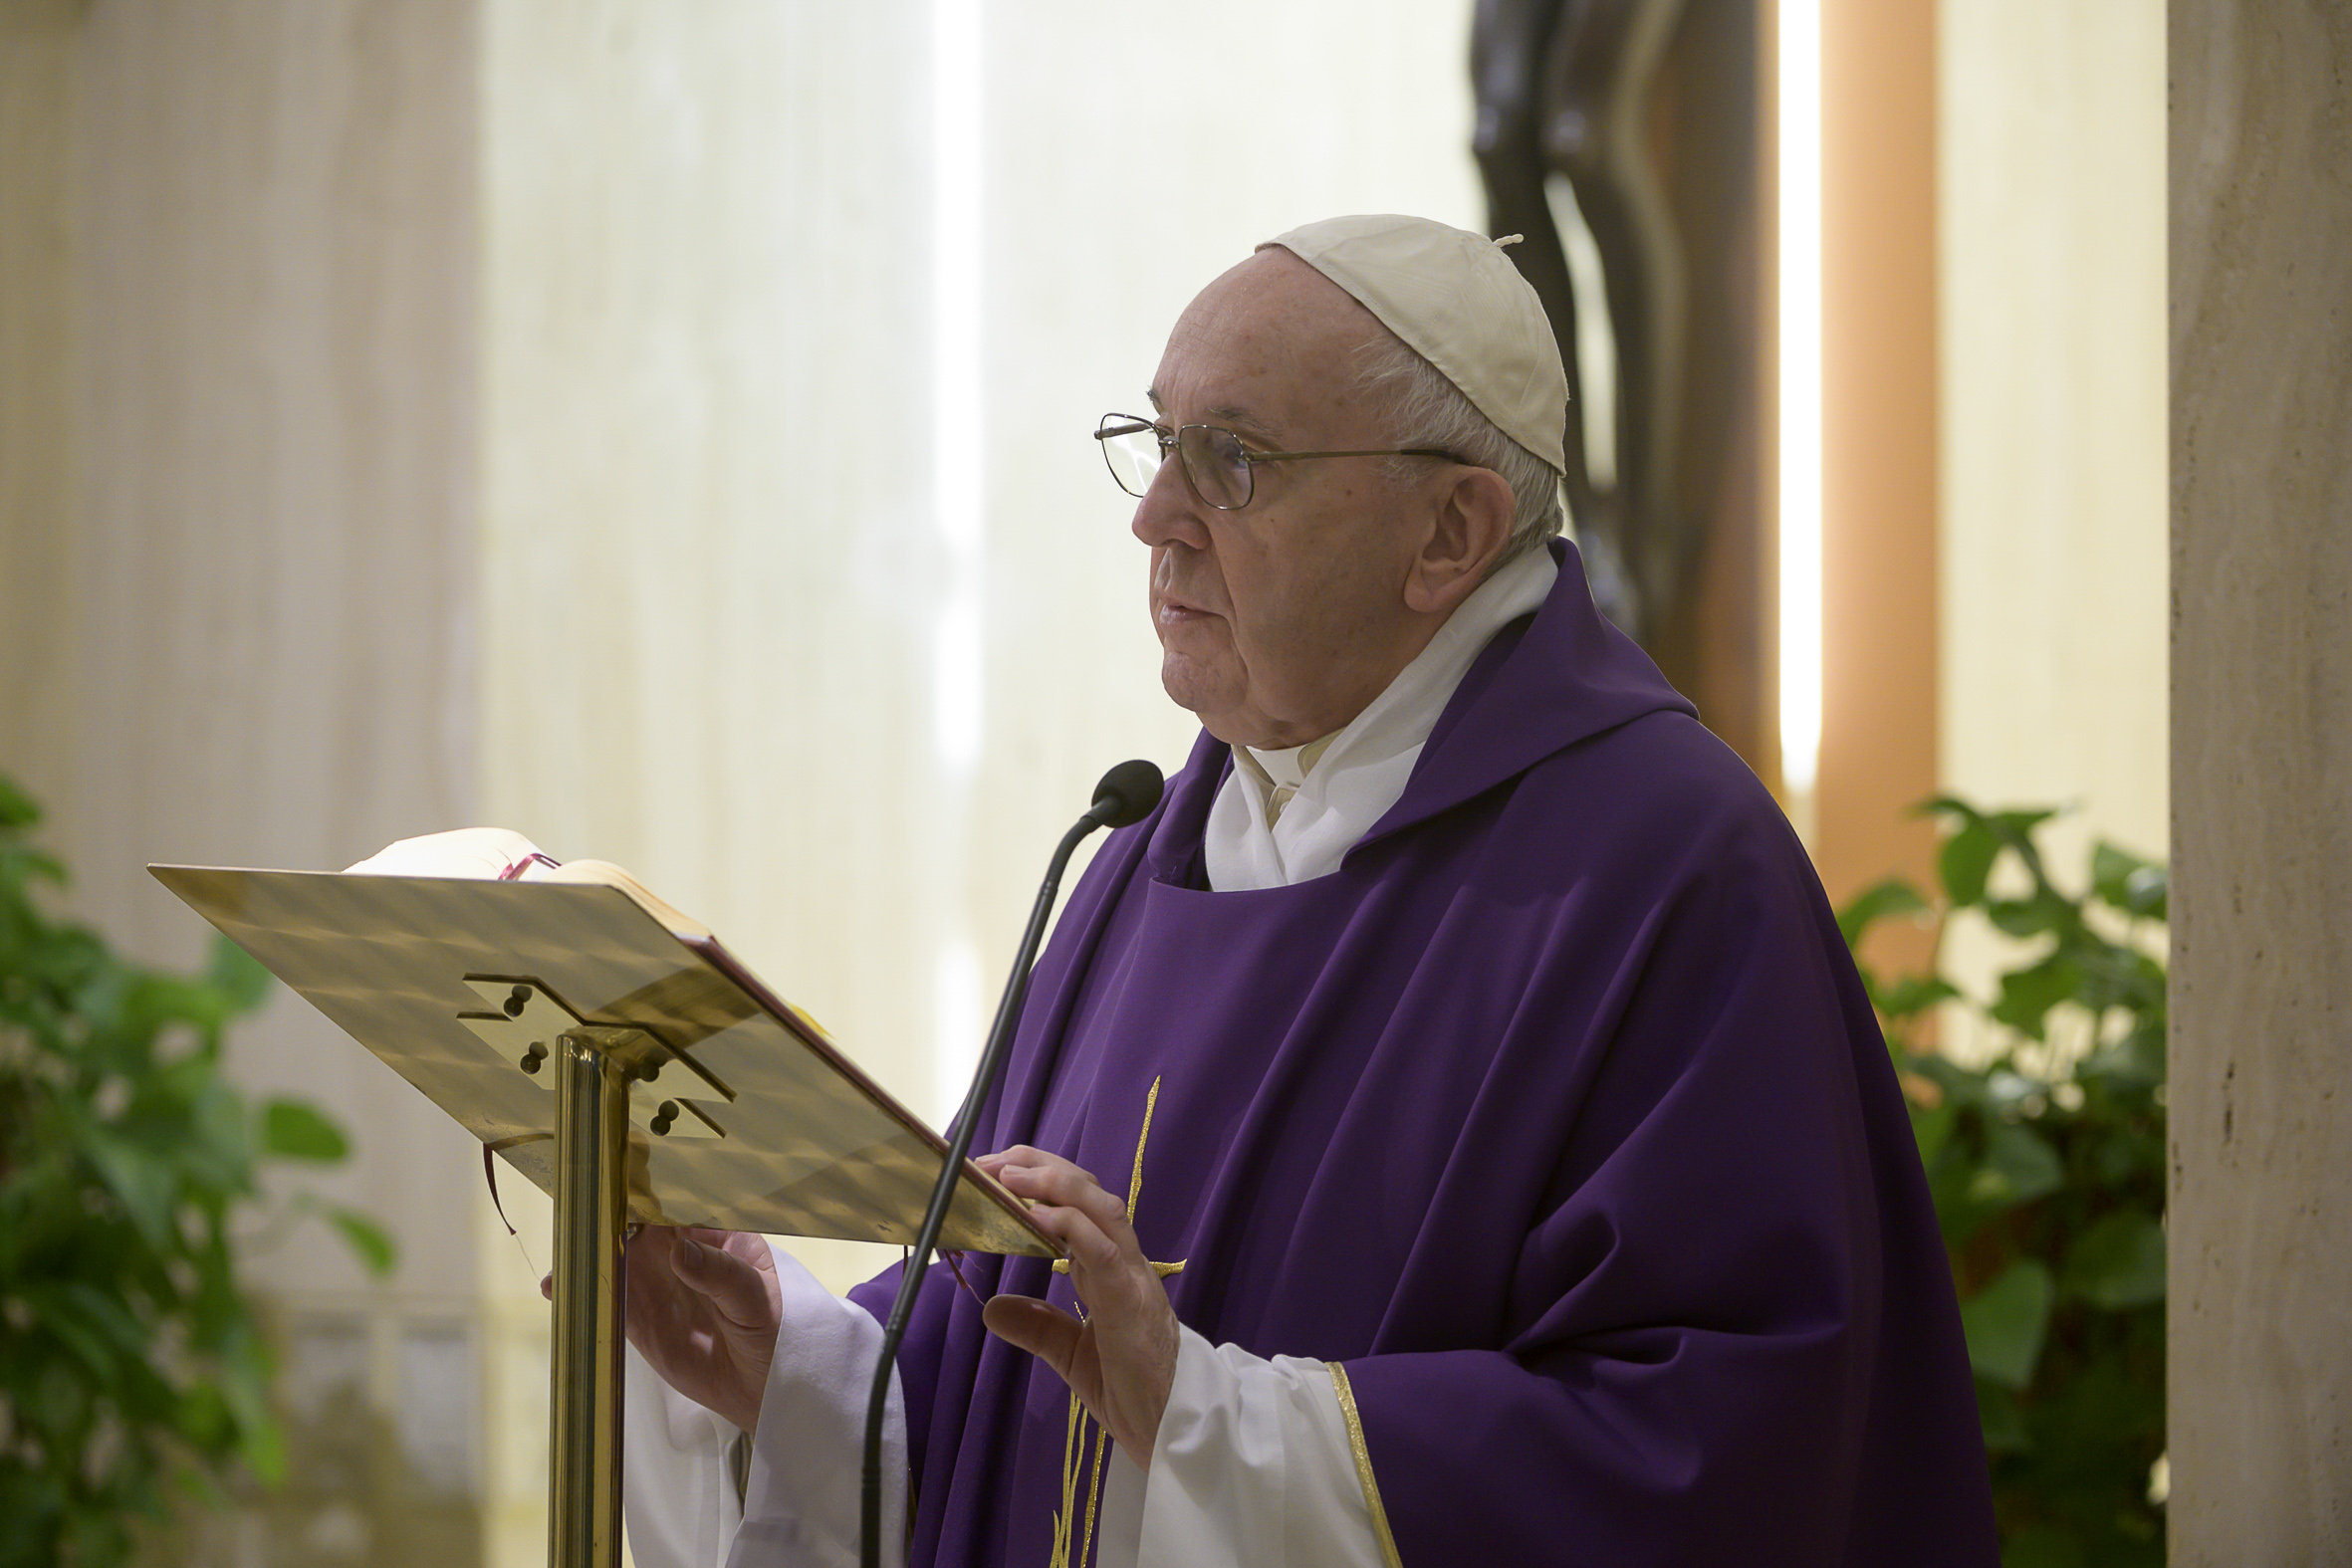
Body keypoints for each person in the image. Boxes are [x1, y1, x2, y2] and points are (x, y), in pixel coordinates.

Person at [619, 214, 1999, 1568]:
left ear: (1449, 532)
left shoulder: (1660, 871)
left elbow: (1715, 1466)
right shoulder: (1151, 852)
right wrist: (797, 1376)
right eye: (1157, 442)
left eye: (1231, 460)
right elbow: (1007, 1366)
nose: (1155, 518)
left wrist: (1212, 1423)